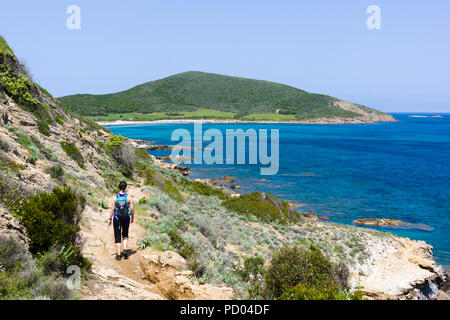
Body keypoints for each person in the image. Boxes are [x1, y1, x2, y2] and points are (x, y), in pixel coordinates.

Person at [108, 181, 134, 261]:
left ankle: (119, 255)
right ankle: (125, 249)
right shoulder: (128, 197)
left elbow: (112, 209)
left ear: (119, 187)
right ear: (125, 187)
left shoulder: (115, 197)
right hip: (126, 218)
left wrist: (110, 218)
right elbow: (132, 209)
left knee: (117, 235)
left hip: (117, 218)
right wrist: (133, 218)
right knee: (125, 233)